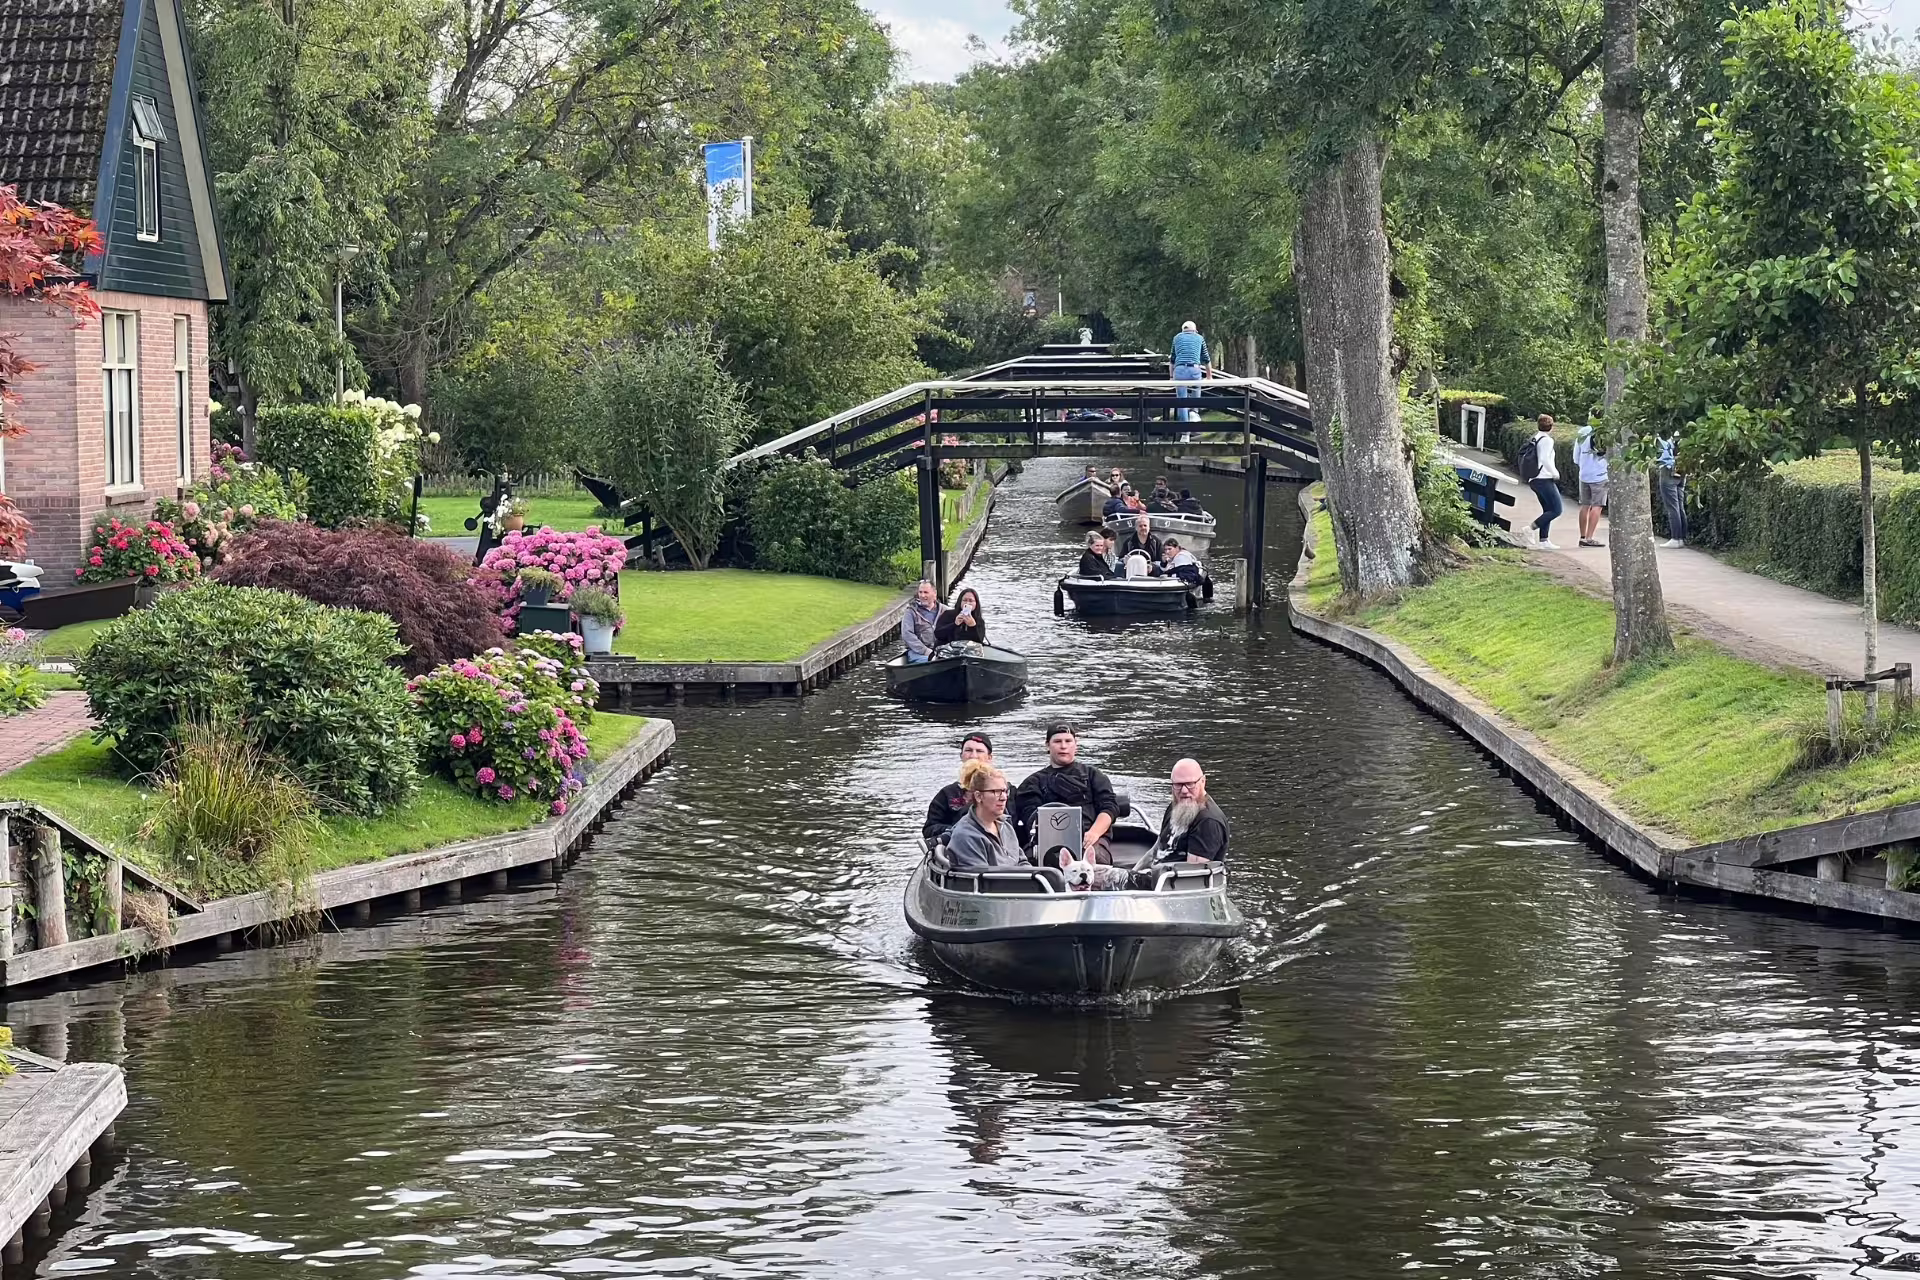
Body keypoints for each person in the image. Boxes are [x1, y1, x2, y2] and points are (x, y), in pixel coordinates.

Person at [1015, 724, 1120, 863]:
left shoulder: (1094, 775)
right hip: (1045, 839)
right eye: (1057, 741)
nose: (1063, 746)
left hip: (1090, 837)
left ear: (1076, 744)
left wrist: (1094, 833)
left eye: (1068, 741)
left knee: (1095, 858)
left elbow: (1109, 807)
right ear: (1047, 745)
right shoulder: (1032, 783)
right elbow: (1030, 816)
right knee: (1032, 862)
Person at [946, 761, 1027, 870]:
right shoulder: (966, 836)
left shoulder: (1006, 825)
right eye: (995, 792)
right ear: (978, 796)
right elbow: (984, 882)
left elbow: (1022, 861)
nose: (1003, 798)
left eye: (1004, 791)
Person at [1151, 758, 1230, 863]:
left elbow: (1193, 874)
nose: (1184, 790)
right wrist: (1134, 872)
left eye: (1190, 784)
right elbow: (1157, 849)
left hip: (1168, 878)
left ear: (1203, 781)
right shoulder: (1177, 806)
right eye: (1178, 785)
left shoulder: (1208, 822)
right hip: (1154, 872)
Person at [924, 733, 994, 843]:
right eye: (968, 750)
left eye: (979, 751)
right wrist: (954, 830)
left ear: (989, 757)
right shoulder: (947, 794)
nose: (973, 756)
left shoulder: (1005, 791)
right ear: (961, 756)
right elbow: (929, 829)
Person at [1518, 413, 1564, 550]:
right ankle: (1530, 528)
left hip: (1534, 479)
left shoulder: (1535, 437)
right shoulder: (1547, 440)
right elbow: (1544, 459)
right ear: (1551, 426)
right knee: (1557, 510)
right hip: (1543, 478)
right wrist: (1555, 473)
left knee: (1547, 510)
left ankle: (1544, 540)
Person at [1572, 425, 1609, 548]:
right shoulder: (1607, 431)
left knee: (1585, 505)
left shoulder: (1583, 432)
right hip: (1600, 474)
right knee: (1597, 506)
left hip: (1584, 474)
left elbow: (1575, 458)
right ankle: (1589, 537)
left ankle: (1582, 537)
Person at [1171, 321, 1210, 424]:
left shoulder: (1176, 338)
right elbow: (1206, 359)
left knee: (1181, 401)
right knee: (1196, 387)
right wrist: (1209, 376)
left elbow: (1172, 359)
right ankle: (1194, 411)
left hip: (1179, 370)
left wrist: (1171, 376)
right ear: (1195, 330)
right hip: (1194, 369)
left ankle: (1185, 432)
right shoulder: (1199, 338)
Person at [1657, 432, 1687, 548]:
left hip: (1668, 470)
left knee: (1672, 507)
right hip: (1681, 470)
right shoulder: (1681, 435)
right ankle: (1681, 538)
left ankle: (1675, 538)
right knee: (1680, 506)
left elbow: (1662, 455)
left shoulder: (1664, 437)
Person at [901, 580, 940, 664]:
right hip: (918, 653)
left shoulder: (944, 610)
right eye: (920, 592)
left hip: (941, 651)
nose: (922, 595)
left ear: (934, 593)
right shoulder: (911, 612)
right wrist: (925, 651)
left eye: (926, 592)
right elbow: (907, 635)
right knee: (930, 661)